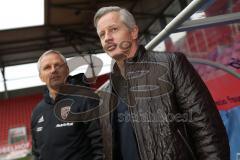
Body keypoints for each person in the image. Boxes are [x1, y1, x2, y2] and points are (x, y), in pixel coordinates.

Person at [94, 6, 230, 160]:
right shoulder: (105, 93)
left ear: (133, 32)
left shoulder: (171, 64)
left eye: (113, 29)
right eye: (102, 34)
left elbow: (207, 129)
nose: (107, 38)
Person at [31, 50, 104, 160]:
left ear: (67, 70)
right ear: (41, 76)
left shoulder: (86, 100)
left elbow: (102, 146)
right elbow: (37, 153)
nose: (53, 70)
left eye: (58, 65)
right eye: (47, 67)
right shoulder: (37, 112)